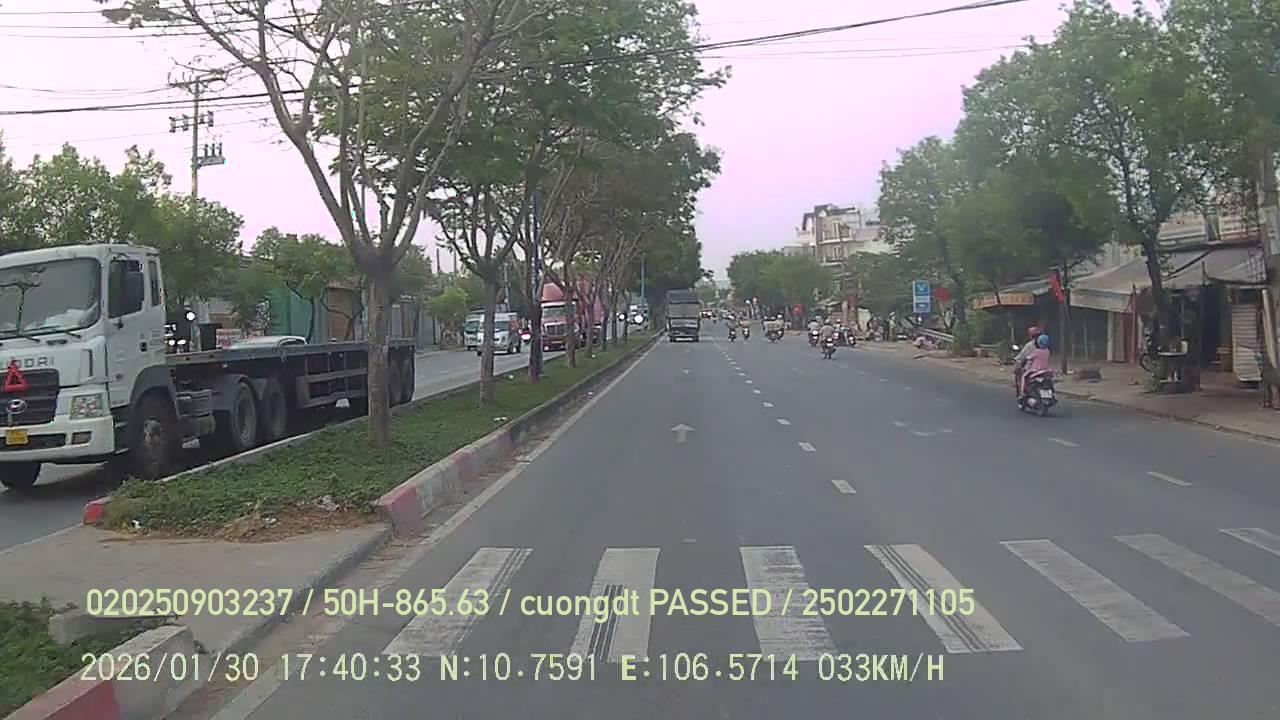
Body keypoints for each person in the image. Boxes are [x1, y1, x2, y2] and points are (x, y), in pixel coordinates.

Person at [1013, 325, 1042, 395]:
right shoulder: (1045, 346)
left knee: (1022, 376)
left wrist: (1016, 366)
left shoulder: (1029, 345)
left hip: (1031, 368)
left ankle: (1023, 392)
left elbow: (1021, 357)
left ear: (1030, 335)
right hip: (1044, 368)